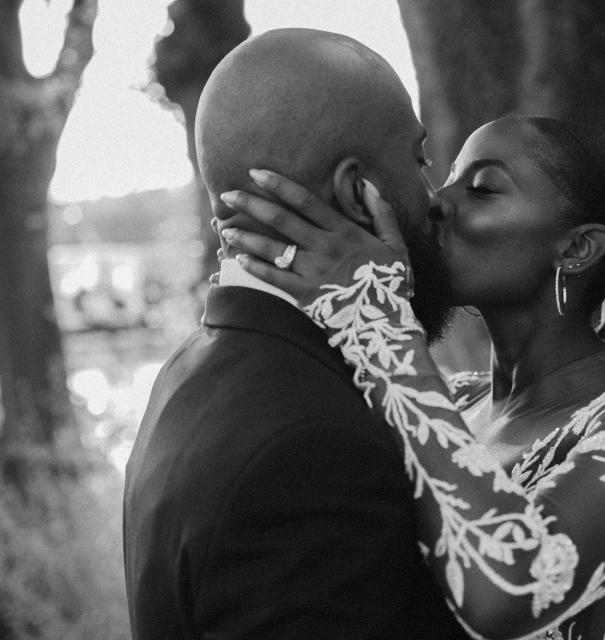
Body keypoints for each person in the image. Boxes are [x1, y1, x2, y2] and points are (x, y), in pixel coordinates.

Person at [220, 116, 605, 639]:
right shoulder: (448, 401)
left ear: (577, 248)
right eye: (448, 175)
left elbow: (513, 588)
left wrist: (380, 325)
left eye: (482, 188)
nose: (437, 200)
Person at [123, 29, 465, 640]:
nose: (436, 198)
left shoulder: (189, 370)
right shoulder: (313, 445)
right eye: (418, 160)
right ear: (357, 193)